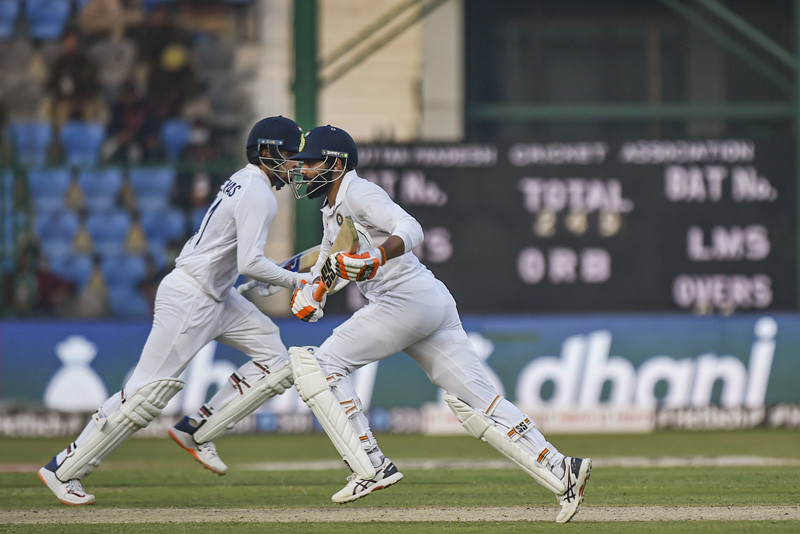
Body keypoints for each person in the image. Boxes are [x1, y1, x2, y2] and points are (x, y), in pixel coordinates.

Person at [286, 125, 592, 523]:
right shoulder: (334, 210)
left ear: (336, 163)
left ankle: (370, 465)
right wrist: (312, 294)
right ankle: (562, 470)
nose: (303, 171)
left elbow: (411, 228)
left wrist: (376, 258)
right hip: (430, 302)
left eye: (309, 163)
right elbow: (331, 266)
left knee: (317, 365)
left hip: (403, 302)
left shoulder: (358, 192)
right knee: (476, 403)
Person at [38, 116, 311, 505]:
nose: (294, 165)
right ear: (266, 152)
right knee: (144, 395)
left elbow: (238, 258)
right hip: (193, 297)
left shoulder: (248, 181)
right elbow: (251, 261)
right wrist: (298, 281)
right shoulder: (259, 193)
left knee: (275, 359)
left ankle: (197, 429)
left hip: (216, 294)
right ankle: (64, 468)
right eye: (288, 155)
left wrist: (266, 278)